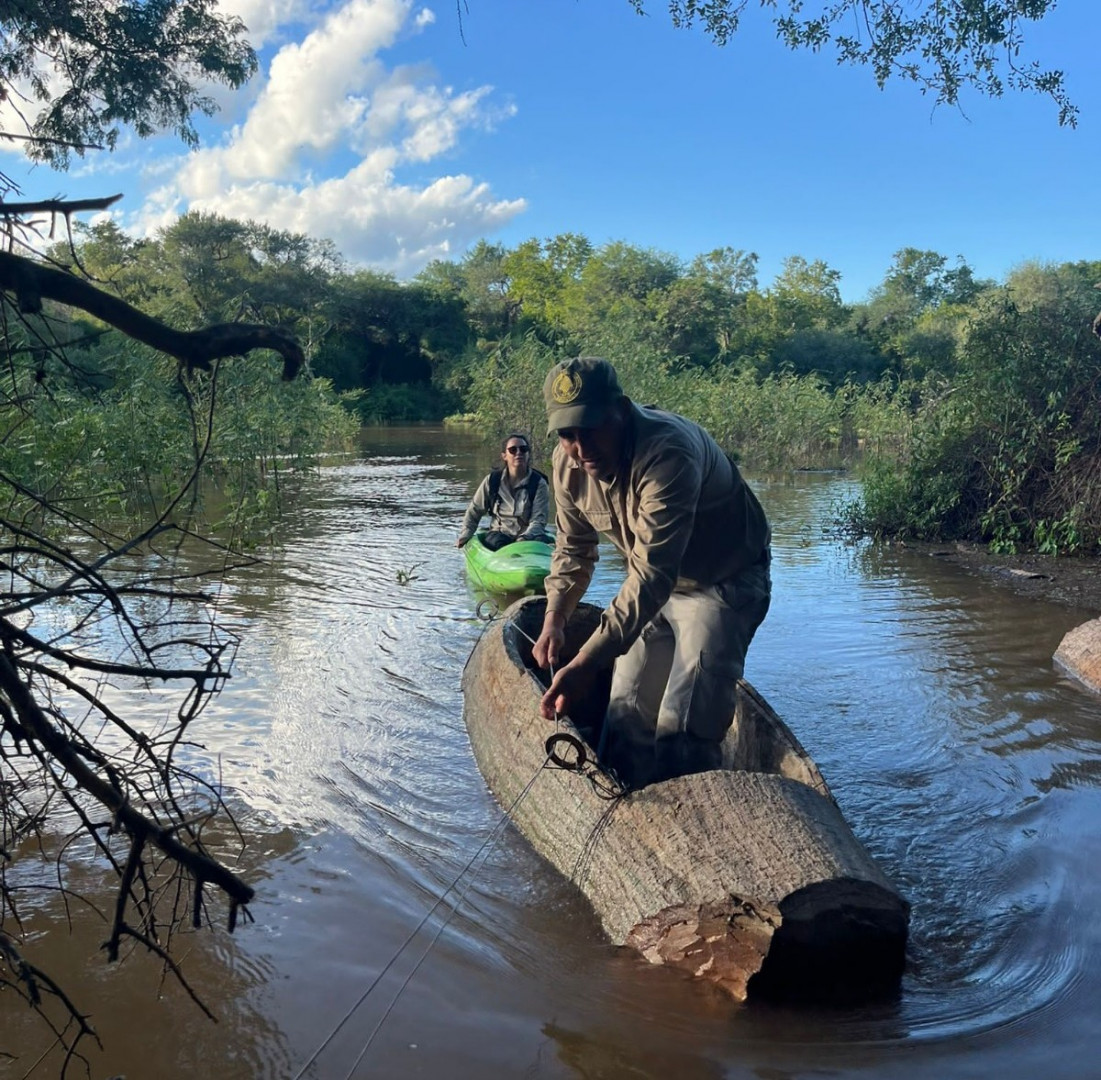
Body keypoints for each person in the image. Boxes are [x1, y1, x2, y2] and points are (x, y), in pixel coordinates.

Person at [531, 357, 772, 786]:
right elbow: (573, 548)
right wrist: (555, 617)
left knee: (683, 727)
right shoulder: (567, 466)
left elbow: (651, 576)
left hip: (723, 583)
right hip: (651, 586)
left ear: (621, 411)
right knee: (624, 712)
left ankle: (692, 806)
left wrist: (585, 663)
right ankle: (630, 802)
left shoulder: (668, 453)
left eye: (592, 428)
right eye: (568, 435)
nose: (582, 449)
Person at [456, 431, 550, 551]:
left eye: (523, 449)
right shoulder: (492, 480)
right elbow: (474, 511)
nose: (519, 453)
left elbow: (538, 520)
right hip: (500, 534)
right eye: (513, 450)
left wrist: (524, 538)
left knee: (541, 542)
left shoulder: (539, 483)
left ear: (528, 454)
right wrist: (466, 534)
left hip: (529, 536)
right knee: (496, 543)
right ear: (504, 456)